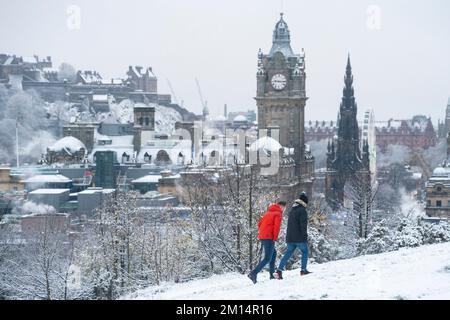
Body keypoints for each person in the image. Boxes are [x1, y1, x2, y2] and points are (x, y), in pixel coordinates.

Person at [248, 200, 286, 284]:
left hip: (263, 236)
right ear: (282, 207)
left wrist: (264, 232)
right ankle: (253, 273)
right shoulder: (278, 213)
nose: (284, 210)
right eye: (284, 208)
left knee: (273, 253)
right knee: (267, 258)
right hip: (269, 237)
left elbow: (259, 224)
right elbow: (277, 227)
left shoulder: (268, 212)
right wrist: (274, 238)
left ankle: (272, 275)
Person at [275, 192, 311, 279]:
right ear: (304, 202)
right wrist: (305, 236)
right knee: (305, 252)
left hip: (290, 237)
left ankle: (279, 271)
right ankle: (303, 270)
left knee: (288, 253)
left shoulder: (292, 210)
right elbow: (303, 225)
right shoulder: (302, 211)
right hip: (299, 237)